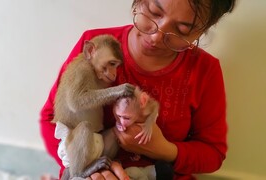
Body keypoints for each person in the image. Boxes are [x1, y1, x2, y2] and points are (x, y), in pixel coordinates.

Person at [40, 0, 237, 179]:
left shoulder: (205, 70)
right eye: (153, 12)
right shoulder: (96, 46)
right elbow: (52, 119)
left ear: (201, 32)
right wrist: (90, 169)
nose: (156, 36)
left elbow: (213, 154)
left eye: (182, 29)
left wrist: (163, 150)